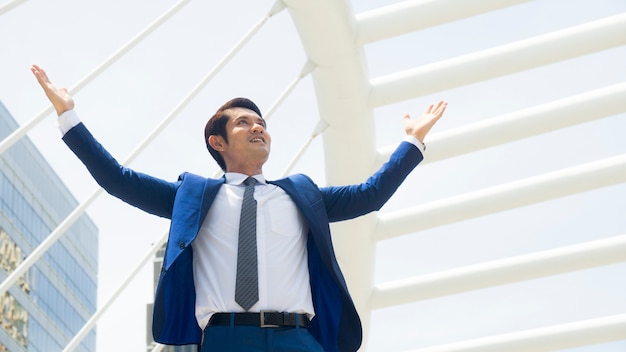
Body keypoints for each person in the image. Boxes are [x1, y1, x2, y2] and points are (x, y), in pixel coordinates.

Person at [31, 64, 447, 352]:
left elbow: (369, 195)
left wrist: (412, 143)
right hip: (227, 339)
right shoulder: (192, 197)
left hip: (298, 339)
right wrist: (69, 117)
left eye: (261, 122)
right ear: (219, 142)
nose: (258, 127)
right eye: (244, 123)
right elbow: (118, 179)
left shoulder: (301, 195)